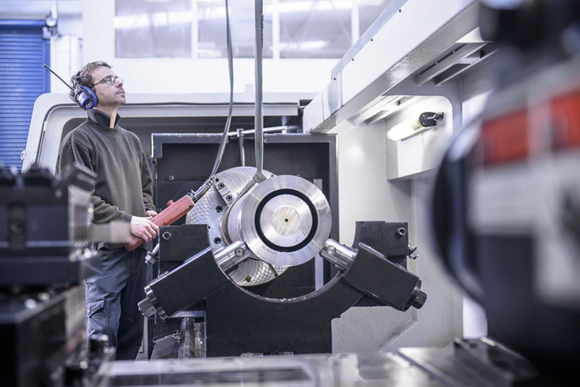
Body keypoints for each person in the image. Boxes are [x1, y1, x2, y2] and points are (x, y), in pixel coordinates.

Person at [57, 61, 158, 360]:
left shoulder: (130, 140)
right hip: (103, 255)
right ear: (87, 94)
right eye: (109, 79)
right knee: (102, 338)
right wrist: (128, 222)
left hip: (137, 252)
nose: (119, 82)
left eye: (118, 77)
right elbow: (78, 201)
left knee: (130, 336)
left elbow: (145, 188)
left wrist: (148, 213)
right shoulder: (79, 139)